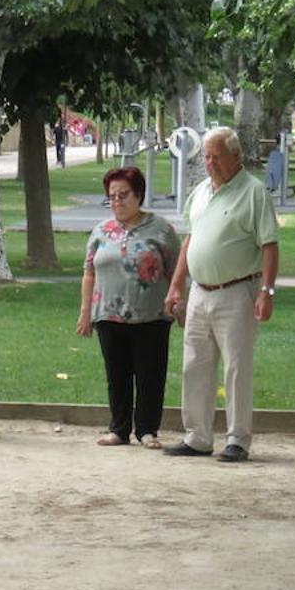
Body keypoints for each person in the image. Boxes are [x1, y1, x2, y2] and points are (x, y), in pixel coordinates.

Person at [163, 126, 279, 462]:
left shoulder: (254, 192)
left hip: (237, 290)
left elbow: (269, 245)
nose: (210, 163)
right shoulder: (201, 191)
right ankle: (197, 436)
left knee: (236, 368)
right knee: (195, 364)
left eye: (217, 157)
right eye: (206, 157)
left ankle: (238, 439)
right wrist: (176, 284)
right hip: (200, 291)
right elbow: (190, 240)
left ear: (236, 157)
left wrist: (267, 292)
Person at [76, 167, 180, 449]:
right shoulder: (100, 231)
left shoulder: (161, 229)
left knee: (150, 373)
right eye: (112, 196)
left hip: (151, 315)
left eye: (124, 195)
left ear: (139, 195)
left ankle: (147, 429)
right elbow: (89, 272)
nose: (117, 202)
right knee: (117, 374)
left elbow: (176, 271)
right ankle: (119, 428)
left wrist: (178, 304)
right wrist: (86, 312)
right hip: (108, 314)